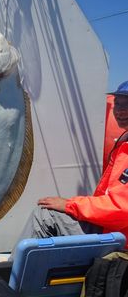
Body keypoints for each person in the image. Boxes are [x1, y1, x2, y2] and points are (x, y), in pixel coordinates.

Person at [24, 80, 128, 247]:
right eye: (117, 103)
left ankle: (14, 272)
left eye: (127, 104)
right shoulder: (123, 142)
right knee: (47, 212)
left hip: (120, 236)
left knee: (44, 217)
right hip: (111, 226)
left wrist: (70, 205)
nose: (120, 110)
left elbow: (122, 209)